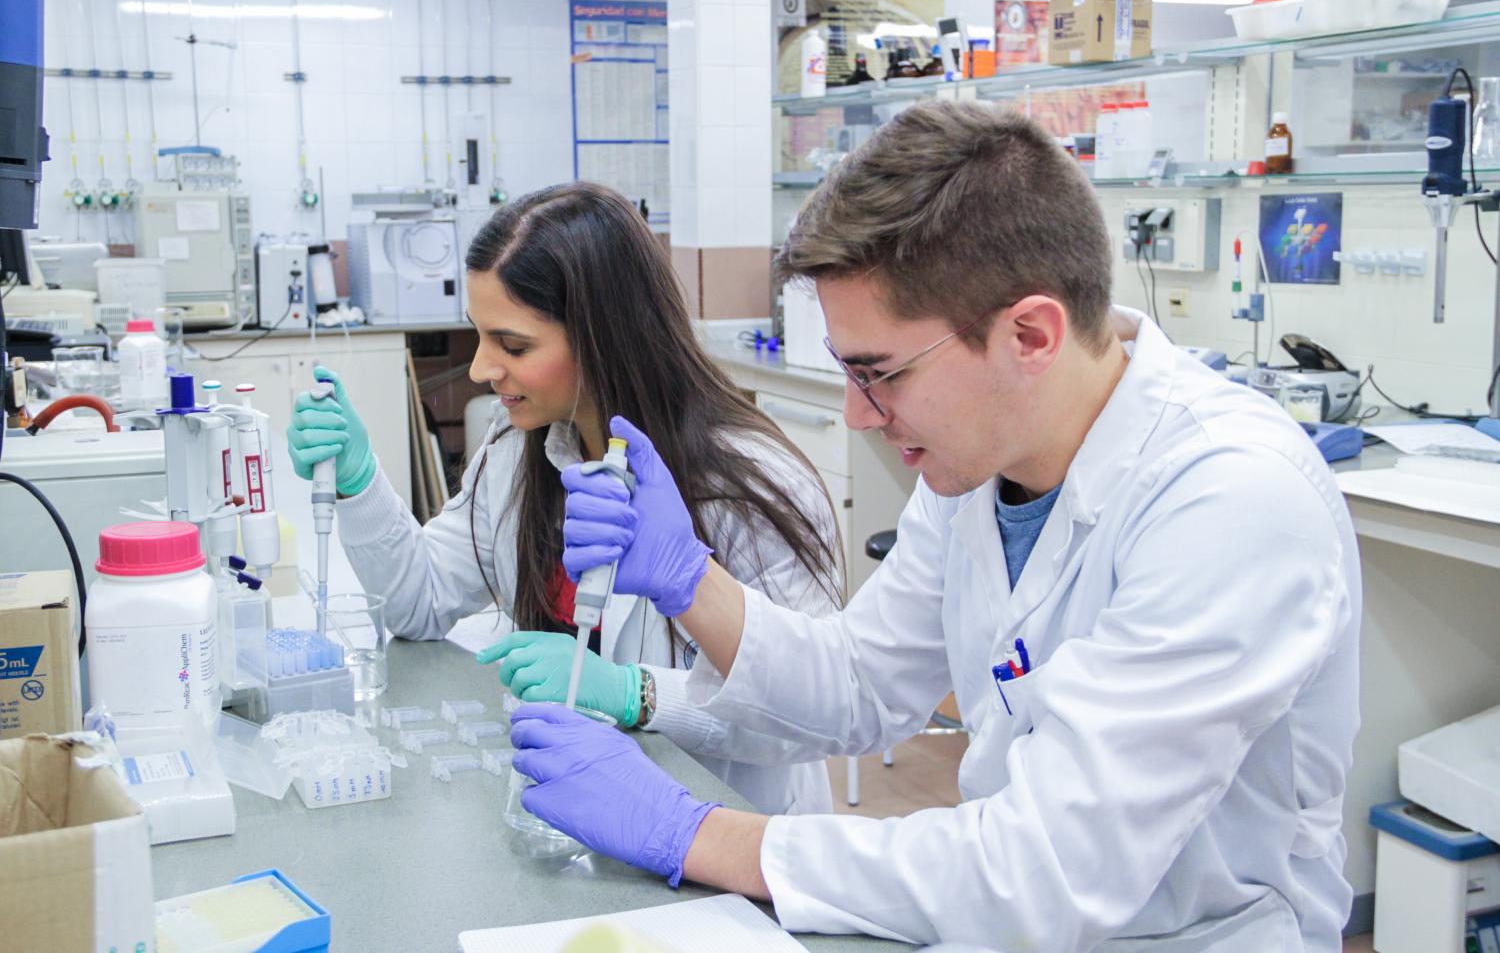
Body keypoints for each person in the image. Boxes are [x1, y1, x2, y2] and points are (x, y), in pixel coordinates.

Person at [507, 102, 1362, 951]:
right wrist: (692, 580)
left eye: (880, 373)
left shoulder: (1233, 500)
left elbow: (1049, 869)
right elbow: (861, 684)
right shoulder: (983, 464)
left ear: (1030, 335)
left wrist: (693, 833)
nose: (858, 414)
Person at [285, 183, 844, 816]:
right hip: (578, 813)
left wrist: (635, 693)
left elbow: (806, 717)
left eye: (514, 346)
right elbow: (419, 602)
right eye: (479, 335)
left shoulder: (752, 485)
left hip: (726, 834)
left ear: (604, 336)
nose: (480, 369)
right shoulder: (515, 450)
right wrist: (359, 482)